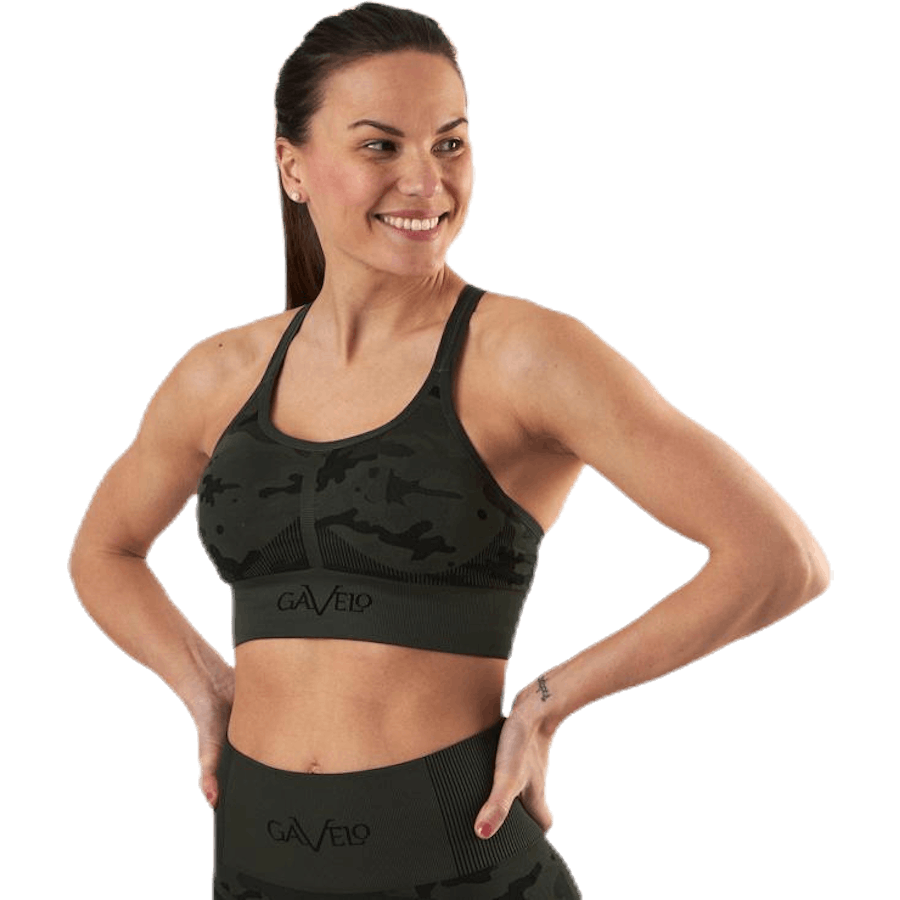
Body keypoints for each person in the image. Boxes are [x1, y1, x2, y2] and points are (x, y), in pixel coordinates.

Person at [67, 2, 832, 897]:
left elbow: (778, 560)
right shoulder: (218, 373)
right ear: (293, 166)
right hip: (250, 871)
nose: (426, 182)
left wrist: (548, 704)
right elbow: (103, 551)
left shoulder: (525, 356)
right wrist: (205, 686)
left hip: (461, 869)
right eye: (380, 146)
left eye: (450, 144)